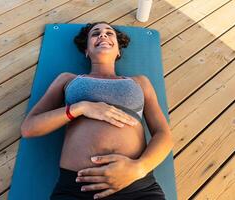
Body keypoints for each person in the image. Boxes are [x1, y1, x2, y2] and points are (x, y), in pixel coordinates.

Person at [20, 21, 174, 200]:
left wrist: (140, 168)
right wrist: (81, 107)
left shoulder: (140, 82)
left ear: (118, 51)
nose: (103, 35)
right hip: (77, 187)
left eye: (109, 33)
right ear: (86, 50)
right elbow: (29, 128)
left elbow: (163, 134)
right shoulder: (68, 79)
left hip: (136, 186)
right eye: (95, 34)